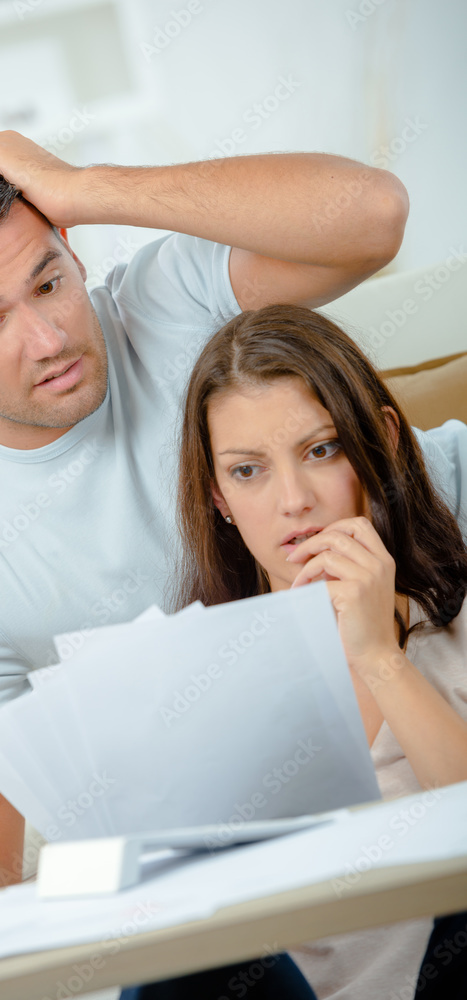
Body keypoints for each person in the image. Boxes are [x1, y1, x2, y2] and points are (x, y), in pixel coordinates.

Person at [0, 129, 460, 936]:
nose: (48, 340)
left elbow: (371, 214)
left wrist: (80, 186)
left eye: (49, 283)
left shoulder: (164, 298)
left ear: (71, 250)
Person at [172, 302, 467, 1000]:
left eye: (320, 450)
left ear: (382, 441)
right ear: (218, 495)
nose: (294, 501)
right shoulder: (194, 680)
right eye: (248, 471)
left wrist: (380, 659)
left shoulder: (455, 624)